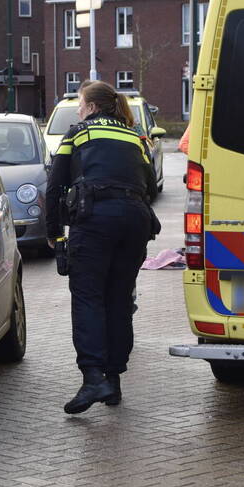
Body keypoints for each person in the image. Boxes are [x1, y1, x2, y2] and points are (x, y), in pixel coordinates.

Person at [46, 79, 158, 414]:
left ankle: (93, 378)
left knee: (88, 297)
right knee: (119, 299)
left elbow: (54, 186)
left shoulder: (78, 133)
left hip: (95, 221)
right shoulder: (134, 136)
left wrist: (54, 233)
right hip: (135, 222)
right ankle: (113, 380)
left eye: (80, 105)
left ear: (92, 107)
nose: (79, 111)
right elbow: (150, 185)